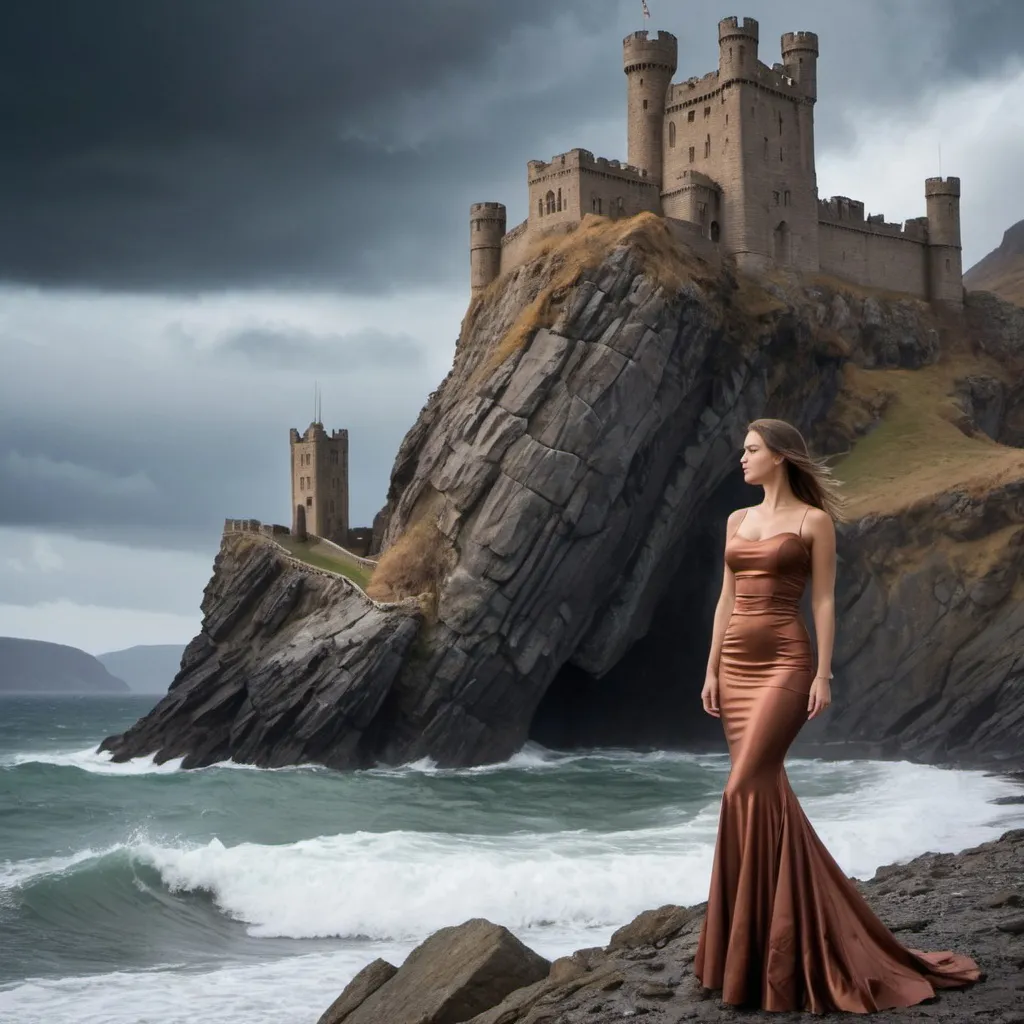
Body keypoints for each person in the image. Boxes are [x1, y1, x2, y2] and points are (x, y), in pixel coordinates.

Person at [693, 418, 981, 1013]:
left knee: (743, 786)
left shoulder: (812, 521)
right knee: (765, 790)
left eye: (750, 451)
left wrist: (823, 673)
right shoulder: (735, 521)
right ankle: (767, 944)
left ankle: (758, 944)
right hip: (738, 668)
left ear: (778, 456)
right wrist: (712, 669)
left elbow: (822, 598)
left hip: (785, 663)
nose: (741, 460)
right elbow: (726, 596)